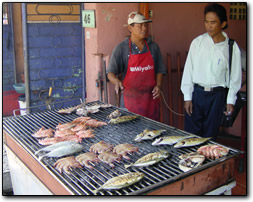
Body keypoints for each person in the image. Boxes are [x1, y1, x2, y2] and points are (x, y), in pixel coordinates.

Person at [180, 3, 242, 140]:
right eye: (206, 22)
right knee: (192, 136)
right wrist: (187, 97)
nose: (209, 26)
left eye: (213, 22)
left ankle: (208, 160)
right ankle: (191, 160)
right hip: (197, 94)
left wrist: (230, 100)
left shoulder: (231, 47)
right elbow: (189, 71)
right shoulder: (198, 43)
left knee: (210, 136)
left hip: (217, 96)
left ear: (223, 23)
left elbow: (235, 77)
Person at [107, 12, 166, 121]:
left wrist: (158, 85)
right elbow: (110, 73)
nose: (144, 28)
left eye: (145, 25)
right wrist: (116, 82)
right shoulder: (121, 48)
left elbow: (160, 70)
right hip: (130, 102)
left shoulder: (153, 47)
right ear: (130, 28)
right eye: (140, 25)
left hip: (150, 101)